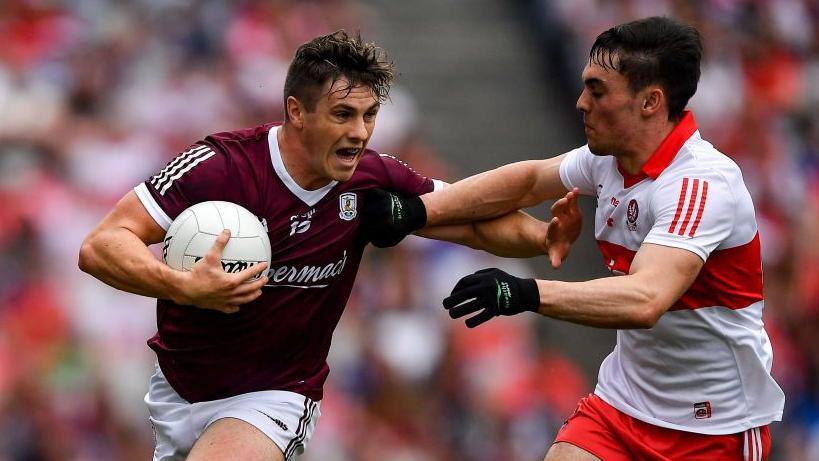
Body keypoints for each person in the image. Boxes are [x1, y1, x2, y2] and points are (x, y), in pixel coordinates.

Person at [78, 31, 581, 461]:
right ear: (296, 111)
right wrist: (185, 286)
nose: (359, 133)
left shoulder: (371, 181)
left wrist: (541, 236)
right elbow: (101, 245)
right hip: (178, 390)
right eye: (343, 114)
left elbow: (469, 220)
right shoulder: (220, 166)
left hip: (273, 395)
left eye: (368, 116)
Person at [367, 16, 785, 461]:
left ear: (650, 102)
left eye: (598, 90)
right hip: (622, 407)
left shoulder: (700, 184)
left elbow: (645, 299)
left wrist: (523, 292)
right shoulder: (609, 160)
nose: (581, 102)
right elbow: (527, 182)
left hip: (712, 428)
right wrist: (415, 210)